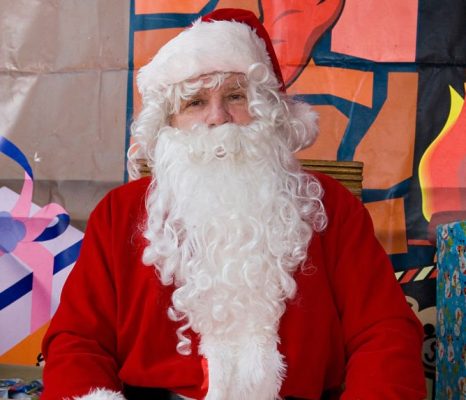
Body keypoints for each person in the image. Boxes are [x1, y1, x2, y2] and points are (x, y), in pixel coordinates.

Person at [41, 8, 427, 400]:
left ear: (269, 113)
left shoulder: (332, 208)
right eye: (194, 102)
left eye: (236, 96)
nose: (218, 118)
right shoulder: (119, 214)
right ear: (169, 123)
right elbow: (77, 340)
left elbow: (385, 333)